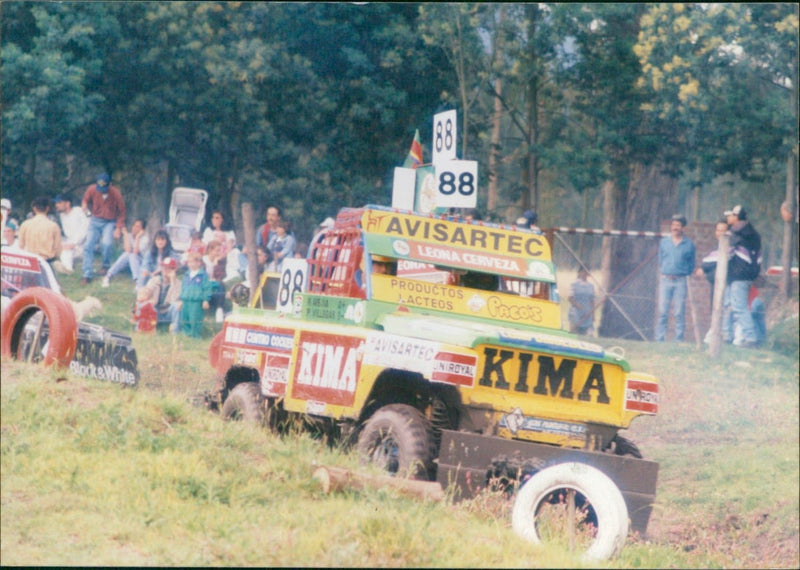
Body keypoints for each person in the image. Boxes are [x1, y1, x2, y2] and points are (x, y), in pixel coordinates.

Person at [725, 205, 762, 347]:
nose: (728, 218)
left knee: (739, 307)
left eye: (730, 215)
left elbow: (727, 254)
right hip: (749, 275)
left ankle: (750, 337)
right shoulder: (754, 234)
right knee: (738, 306)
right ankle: (729, 335)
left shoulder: (735, 234)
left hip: (738, 276)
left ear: (736, 216)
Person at [655, 214, 696, 342]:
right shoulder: (664, 242)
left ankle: (678, 340)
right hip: (665, 280)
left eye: (678, 225)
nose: (675, 227)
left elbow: (691, 264)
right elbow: (660, 260)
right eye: (673, 225)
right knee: (662, 311)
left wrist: (682, 273)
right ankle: (659, 339)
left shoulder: (689, 244)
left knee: (679, 312)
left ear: (683, 228)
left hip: (680, 281)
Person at [81, 173, 126, 284]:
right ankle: (87, 274)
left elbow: (122, 212)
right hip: (95, 220)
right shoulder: (92, 189)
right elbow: (85, 200)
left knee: (106, 243)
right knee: (88, 245)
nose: (102, 191)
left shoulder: (116, 193)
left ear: (110, 184)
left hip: (110, 221)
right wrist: (84, 206)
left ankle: (105, 266)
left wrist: (118, 228)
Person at [137, 256, 182, 332]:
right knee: (144, 304)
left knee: (177, 305)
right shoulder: (154, 280)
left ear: (174, 270)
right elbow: (145, 294)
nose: (165, 270)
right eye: (164, 268)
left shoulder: (178, 283)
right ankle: (144, 327)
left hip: (168, 312)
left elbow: (174, 300)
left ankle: (175, 330)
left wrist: (172, 282)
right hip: (155, 311)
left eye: (169, 268)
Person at [102, 218, 149, 288]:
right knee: (127, 254)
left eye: (138, 226)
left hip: (141, 263)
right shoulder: (129, 236)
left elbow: (136, 251)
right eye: (134, 225)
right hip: (128, 264)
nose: (134, 228)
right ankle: (108, 275)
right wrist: (126, 235)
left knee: (133, 255)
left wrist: (138, 237)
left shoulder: (145, 238)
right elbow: (127, 250)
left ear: (142, 229)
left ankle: (137, 281)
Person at [178, 251, 213, 338]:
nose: (190, 264)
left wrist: (206, 300)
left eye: (192, 261)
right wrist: (181, 299)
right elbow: (183, 288)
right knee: (184, 319)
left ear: (198, 263)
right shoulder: (186, 275)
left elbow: (207, 288)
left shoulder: (202, 275)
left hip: (196, 302)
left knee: (195, 320)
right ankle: (186, 334)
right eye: (189, 262)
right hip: (186, 300)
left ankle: (195, 336)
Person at [18, 196, 62, 263]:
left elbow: (20, 246)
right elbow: (57, 249)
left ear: (34, 208)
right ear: (47, 208)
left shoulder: (25, 225)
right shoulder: (54, 226)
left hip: (29, 261)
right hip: (47, 262)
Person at [53, 194, 89, 274]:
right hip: (70, 242)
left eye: (59, 203)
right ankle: (64, 265)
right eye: (56, 203)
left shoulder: (79, 211)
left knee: (66, 249)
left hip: (84, 244)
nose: (56, 205)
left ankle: (68, 269)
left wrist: (74, 243)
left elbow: (85, 230)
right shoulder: (62, 215)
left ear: (68, 203)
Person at [202, 239, 227, 322]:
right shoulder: (203, 261)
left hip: (214, 285)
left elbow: (221, 276)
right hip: (204, 285)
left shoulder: (220, 261)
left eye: (220, 251)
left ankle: (219, 310)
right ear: (210, 250)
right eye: (217, 250)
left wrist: (216, 265)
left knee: (221, 284)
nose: (219, 253)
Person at [568, 267, 595, 335]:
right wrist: (578, 306)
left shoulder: (591, 286)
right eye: (583, 272)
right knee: (574, 332)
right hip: (576, 312)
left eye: (586, 272)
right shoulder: (574, 284)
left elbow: (592, 301)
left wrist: (593, 314)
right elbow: (570, 298)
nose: (585, 274)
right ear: (579, 272)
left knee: (585, 334)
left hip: (587, 313)